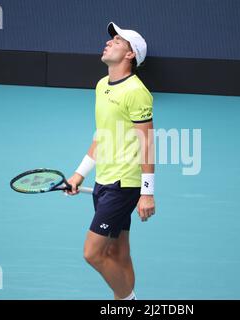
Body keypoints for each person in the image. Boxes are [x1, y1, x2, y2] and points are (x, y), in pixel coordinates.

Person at [65, 22, 155, 300]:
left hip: (123, 184)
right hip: (102, 180)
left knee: (92, 253)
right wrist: (80, 174)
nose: (108, 43)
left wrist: (147, 193)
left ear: (130, 55)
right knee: (118, 251)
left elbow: (147, 143)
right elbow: (102, 136)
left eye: (117, 41)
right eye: (110, 40)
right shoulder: (102, 85)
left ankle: (127, 301)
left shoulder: (137, 92)